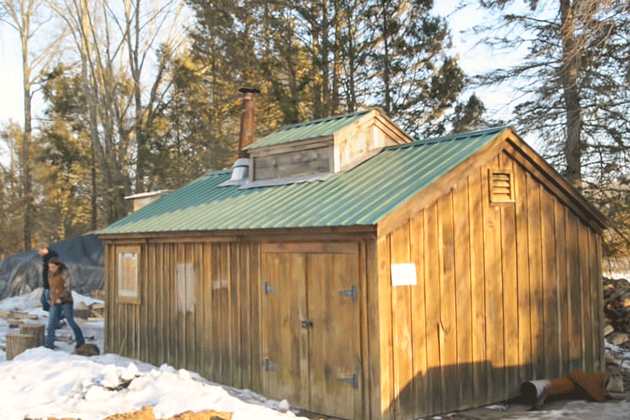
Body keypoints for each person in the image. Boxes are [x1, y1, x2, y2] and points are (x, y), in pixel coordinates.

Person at [44, 257, 85, 350]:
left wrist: (61, 298)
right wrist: (51, 298)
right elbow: (52, 288)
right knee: (51, 323)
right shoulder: (50, 274)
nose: (51, 269)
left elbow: (68, 287)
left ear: (58, 266)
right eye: (50, 267)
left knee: (70, 321)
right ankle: (49, 345)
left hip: (66, 301)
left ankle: (80, 341)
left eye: (53, 267)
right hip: (55, 301)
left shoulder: (64, 273)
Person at [38, 245, 64, 328]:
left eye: (40, 250)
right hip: (47, 285)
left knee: (51, 303)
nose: (39, 252)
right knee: (44, 301)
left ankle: (56, 322)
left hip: (51, 285)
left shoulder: (52, 258)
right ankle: (59, 315)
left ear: (45, 249)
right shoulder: (46, 258)